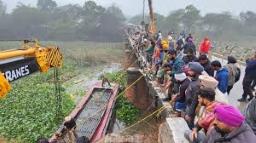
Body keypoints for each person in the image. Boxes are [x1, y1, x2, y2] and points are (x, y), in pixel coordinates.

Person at [185, 62, 204, 129]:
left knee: (189, 123)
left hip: (191, 107)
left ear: (196, 72)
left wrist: (190, 114)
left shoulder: (197, 84)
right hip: (188, 105)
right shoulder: (193, 80)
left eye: (190, 70)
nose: (188, 71)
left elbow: (195, 101)